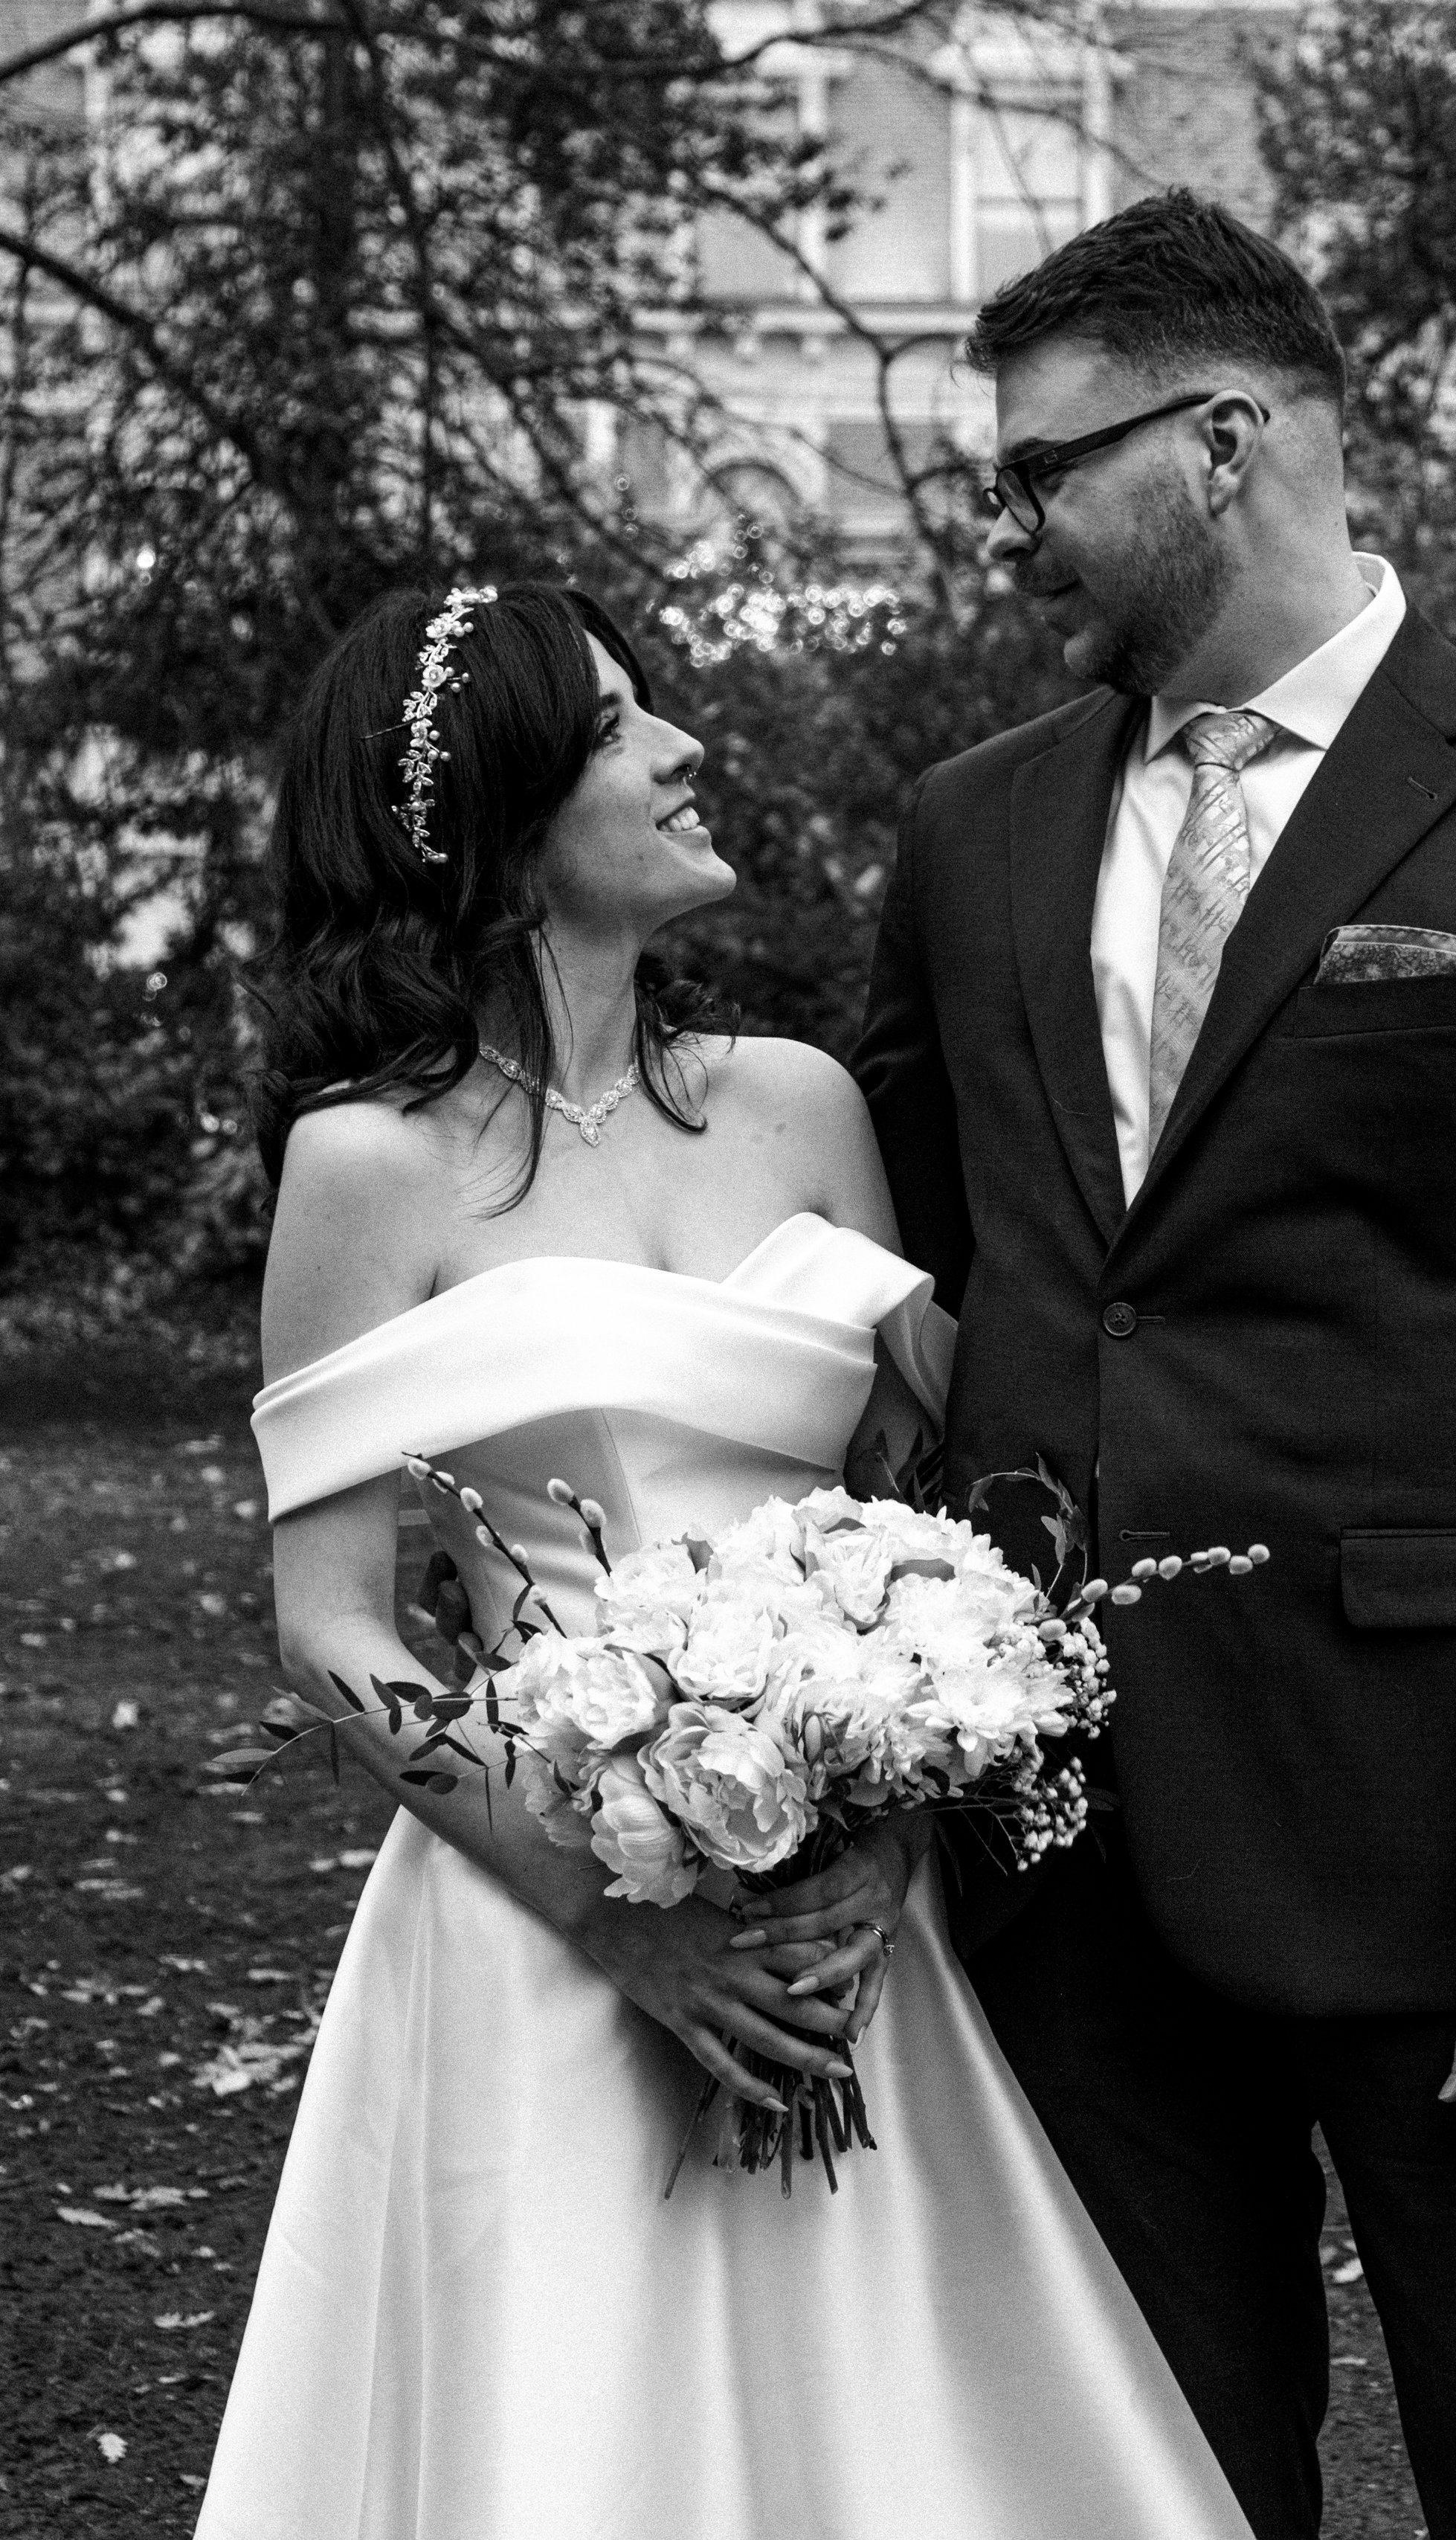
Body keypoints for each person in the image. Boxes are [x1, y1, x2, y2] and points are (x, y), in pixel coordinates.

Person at [852, 190, 1456, 2539]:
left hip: (1434, 1830)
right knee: (1144, 2485)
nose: (1015, 530)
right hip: (1064, 1849)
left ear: (1225, 438)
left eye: (1046, 469)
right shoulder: (972, 834)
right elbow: (928, 1280)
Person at [195, 582, 1252, 2540]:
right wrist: (622, 1916)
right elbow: (333, 1627)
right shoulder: (368, 1168)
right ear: (499, 820)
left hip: (855, 1917)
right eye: (617, 725)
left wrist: (895, 1800)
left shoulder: (798, 1104)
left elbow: (924, 1520)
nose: (683, 747)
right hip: (543, 1924)